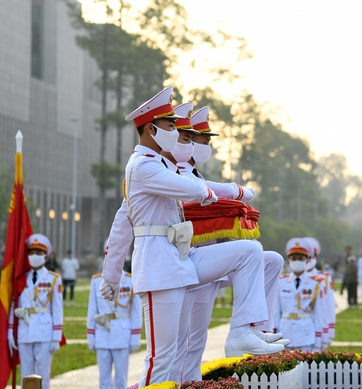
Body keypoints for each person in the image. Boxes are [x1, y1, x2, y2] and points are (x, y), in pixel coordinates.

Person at [100, 88, 281, 387]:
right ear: (150, 128)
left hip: (179, 259)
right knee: (162, 357)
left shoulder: (158, 165)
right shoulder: (142, 166)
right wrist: (111, 275)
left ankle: (241, 333)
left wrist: (225, 191)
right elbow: (132, 220)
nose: (176, 132)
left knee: (251, 251)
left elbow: (185, 185)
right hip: (159, 266)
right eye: (171, 126)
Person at [172, 104, 287, 383]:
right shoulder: (173, 170)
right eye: (198, 139)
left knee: (271, 261)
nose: (205, 145)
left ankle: (254, 326)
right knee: (186, 341)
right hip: (185, 260)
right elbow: (203, 191)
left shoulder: (192, 172)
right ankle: (181, 382)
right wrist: (238, 191)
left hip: (206, 257)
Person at [7, 234, 63, 389]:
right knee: (26, 375)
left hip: (45, 332)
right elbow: (13, 307)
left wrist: (56, 336)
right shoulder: (20, 278)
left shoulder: (53, 279)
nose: (34, 256)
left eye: (38, 253)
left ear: (46, 256)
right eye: (31, 253)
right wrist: (10, 333)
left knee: (43, 376)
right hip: (24, 332)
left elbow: (57, 309)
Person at [87, 269, 142, 389]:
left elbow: (136, 312)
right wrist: (91, 336)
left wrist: (135, 338)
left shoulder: (130, 280)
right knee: (103, 380)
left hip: (122, 335)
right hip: (102, 333)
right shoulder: (97, 280)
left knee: (121, 380)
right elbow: (92, 310)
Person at [272, 238, 325, 352]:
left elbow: (319, 314)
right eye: (294, 258)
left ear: (307, 260)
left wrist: (318, 341)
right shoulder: (281, 283)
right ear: (289, 260)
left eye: (301, 259)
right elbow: (276, 311)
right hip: (285, 333)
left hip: (306, 335)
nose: (297, 261)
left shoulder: (315, 284)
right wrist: (274, 335)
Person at [304, 237, 335, 350]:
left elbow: (329, 307)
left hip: (317, 327)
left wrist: (329, 332)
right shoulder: (286, 279)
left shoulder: (324, 278)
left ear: (316, 257)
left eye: (311, 257)